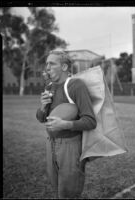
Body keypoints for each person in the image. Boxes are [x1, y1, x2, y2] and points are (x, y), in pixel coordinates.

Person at [36, 50, 97, 199]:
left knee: (69, 193)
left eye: (52, 63)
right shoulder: (49, 87)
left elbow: (90, 121)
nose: (47, 67)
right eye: (46, 64)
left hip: (70, 146)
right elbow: (41, 118)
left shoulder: (76, 85)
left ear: (64, 67)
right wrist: (43, 107)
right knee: (57, 189)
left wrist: (64, 125)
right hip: (50, 144)